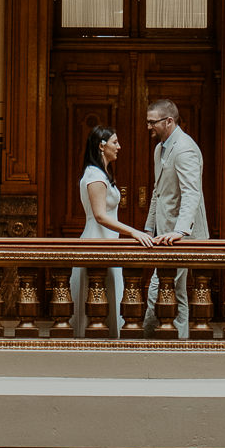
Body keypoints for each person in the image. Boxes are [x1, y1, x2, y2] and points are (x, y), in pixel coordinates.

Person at [72, 124, 155, 335]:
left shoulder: (103, 173)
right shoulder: (95, 176)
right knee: (97, 301)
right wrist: (134, 232)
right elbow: (100, 216)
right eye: (115, 142)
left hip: (107, 241)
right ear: (101, 146)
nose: (119, 146)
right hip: (95, 241)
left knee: (110, 298)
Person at [142, 98, 209, 337]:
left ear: (169, 121)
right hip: (163, 232)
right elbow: (158, 192)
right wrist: (150, 227)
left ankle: (146, 337)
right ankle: (179, 339)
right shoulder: (159, 148)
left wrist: (180, 231)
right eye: (148, 122)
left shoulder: (185, 148)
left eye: (153, 122)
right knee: (176, 290)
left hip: (181, 235)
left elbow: (192, 192)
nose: (149, 127)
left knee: (160, 286)